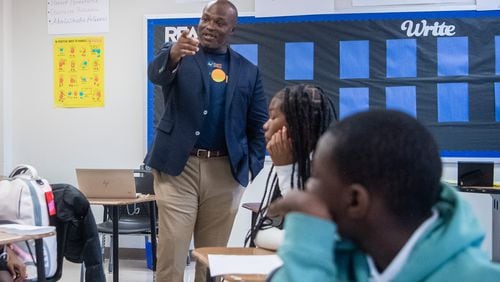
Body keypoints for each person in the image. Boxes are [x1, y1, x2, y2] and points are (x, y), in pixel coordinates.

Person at [268, 110, 500, 281]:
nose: (308, 188)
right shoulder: (343, 259)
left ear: (355, 200)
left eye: (317, 178)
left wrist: (307, 240)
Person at [146, 0, 267, 281]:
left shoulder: (249, 71)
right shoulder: (179, 53)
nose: (209, 26)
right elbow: (156, 74)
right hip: (178, 167)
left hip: (225, 171)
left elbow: (258, 125)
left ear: (233, 29)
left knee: (212, 257)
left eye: (219, 22)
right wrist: (173, 55)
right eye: (206, 18)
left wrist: (250, 168)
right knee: (172, 249)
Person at [246, 84, 336, 249]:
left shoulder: (332, 169)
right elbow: (261, 230)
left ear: (297, 124)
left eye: (273, 118)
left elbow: (310, 234)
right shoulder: (300, 160)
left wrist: (286, 169)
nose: (265, 125)